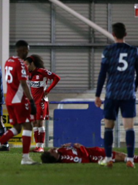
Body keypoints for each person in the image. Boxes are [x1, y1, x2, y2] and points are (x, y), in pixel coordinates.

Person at [0, 40, 39, 165]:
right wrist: (31, 101)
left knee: (17, 127)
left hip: (10, 99)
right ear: (22, 50)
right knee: (28, 126)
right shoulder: (21, 64)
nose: (28, 52)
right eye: (27, 49)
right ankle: (25, 158)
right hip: (19, 100)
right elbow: (23, 83)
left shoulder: (8, 61)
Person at [95, 22, 138, 168]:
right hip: (128, 94)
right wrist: (135, 87)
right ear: (125, 35)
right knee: (129, 127)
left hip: (112, 93)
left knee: (108, 126)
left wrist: (97, 95)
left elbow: (102, 74)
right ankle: (130, 159)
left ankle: (108, 158)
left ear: (113, 34)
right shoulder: (134, 51)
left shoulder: (108, 51)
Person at [24, 55, 60, 152]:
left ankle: (41, 146)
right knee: (34, 123)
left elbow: (56, 78)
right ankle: (37, 146)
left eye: (27, 64)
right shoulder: (29, 74)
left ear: (32, 63)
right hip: (32, 102)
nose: (26, 66)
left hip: (41, 101)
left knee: (40, 123)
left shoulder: (42, 72)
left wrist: (47, 90)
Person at [41, 143, 138, 164]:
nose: (51, 149)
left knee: (121, 155)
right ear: (52, 156)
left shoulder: (60, 151)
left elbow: (69, 147)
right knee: (121, 157)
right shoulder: (67, 159)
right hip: (94, 156)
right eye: (50, 151)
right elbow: (85, 160)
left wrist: (65, 146)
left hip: (93, 150)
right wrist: (81, 148)